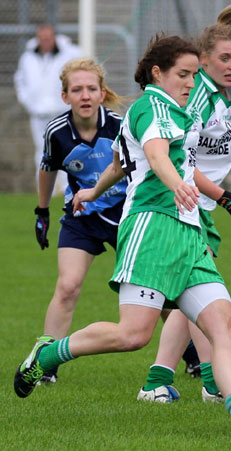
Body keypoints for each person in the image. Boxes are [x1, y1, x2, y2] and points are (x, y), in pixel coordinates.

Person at [14, 34, 231, 439]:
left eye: (194, 74)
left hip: (189, 230)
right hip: (151, 226)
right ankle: (48, 355)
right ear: (157, 73)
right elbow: (155, 156)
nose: (190, 82)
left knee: (223, 327)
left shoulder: (180, 111)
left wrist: (92, 191)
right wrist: (178, 185)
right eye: (183, 74)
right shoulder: (151, 106)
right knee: (132, 335)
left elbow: (120, 163)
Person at [137, 0, 231, 405]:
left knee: (188, 293)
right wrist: (224, 197)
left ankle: (162, 380)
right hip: (182, 200)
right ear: (205, 60)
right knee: (195, 294)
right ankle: (210, 382)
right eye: (224, 58)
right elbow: (182, 161)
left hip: (202, 205)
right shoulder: (193, 98)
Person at [31, 57, 128, 384]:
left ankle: (190, 357)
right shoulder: (56, 133)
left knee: (150, 288)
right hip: (81, 217)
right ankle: (44, 366)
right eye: (77, 90)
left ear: (102, 93)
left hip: (125, 216)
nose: (84, 95)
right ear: (65, 97)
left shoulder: (120, 127)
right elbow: (47, 169)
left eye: (91, 88)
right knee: (68, 286)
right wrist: (42, 212)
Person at [14, 24, 82, 194]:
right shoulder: (28, 57)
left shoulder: (70, 54)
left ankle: (69, 189)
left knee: (67, 148)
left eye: (48, 38)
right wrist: (28, 101)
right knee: (42, 151)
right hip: (37, 114)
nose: (45, 42)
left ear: (54, 38)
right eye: (42, 38)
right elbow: (20, 81)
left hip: (62, 112)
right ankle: (46, 192)